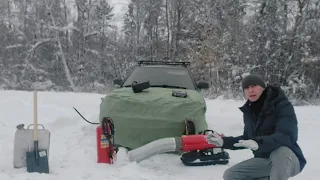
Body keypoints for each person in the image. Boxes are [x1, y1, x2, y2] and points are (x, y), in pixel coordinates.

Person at [206, 74, 306, 180]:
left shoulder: (282, 106)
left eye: (253, 86)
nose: (250, 90)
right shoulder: (249, 111)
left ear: (263, 87)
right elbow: (247, 139)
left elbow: (287, 136)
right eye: (246, 88)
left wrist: (259, 143)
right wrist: (223, 141)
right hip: (266, 161)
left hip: (289, 159)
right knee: (231, 175)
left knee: (280, 152)